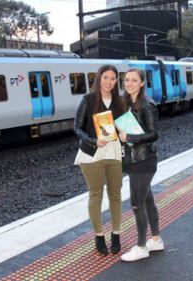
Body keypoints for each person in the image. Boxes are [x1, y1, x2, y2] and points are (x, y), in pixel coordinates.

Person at [73, 64, 125, 255]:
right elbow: (77, 128)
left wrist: (126, 135)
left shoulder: (120, 102)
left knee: (116, 194)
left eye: (113, 78)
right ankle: (99, 235)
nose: (109, 82)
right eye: (106, 77)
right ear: (99, 78)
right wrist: (94, 140)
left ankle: (116, 234)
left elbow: (124, 126)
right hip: (92, 154)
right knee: (96, 195)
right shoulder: (87, 100)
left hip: (114, 152)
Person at [118, 68, 164, 262]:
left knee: (137, 204)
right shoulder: (127, 103)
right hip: (133, 159)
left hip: (144, 161)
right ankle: (156, 239)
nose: (129, 84)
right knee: (147, 201)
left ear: (142, 83)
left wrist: (129, 137)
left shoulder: (147, 105)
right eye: (127, 80)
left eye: (134, 80)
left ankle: (141, 246)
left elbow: (154, 134)